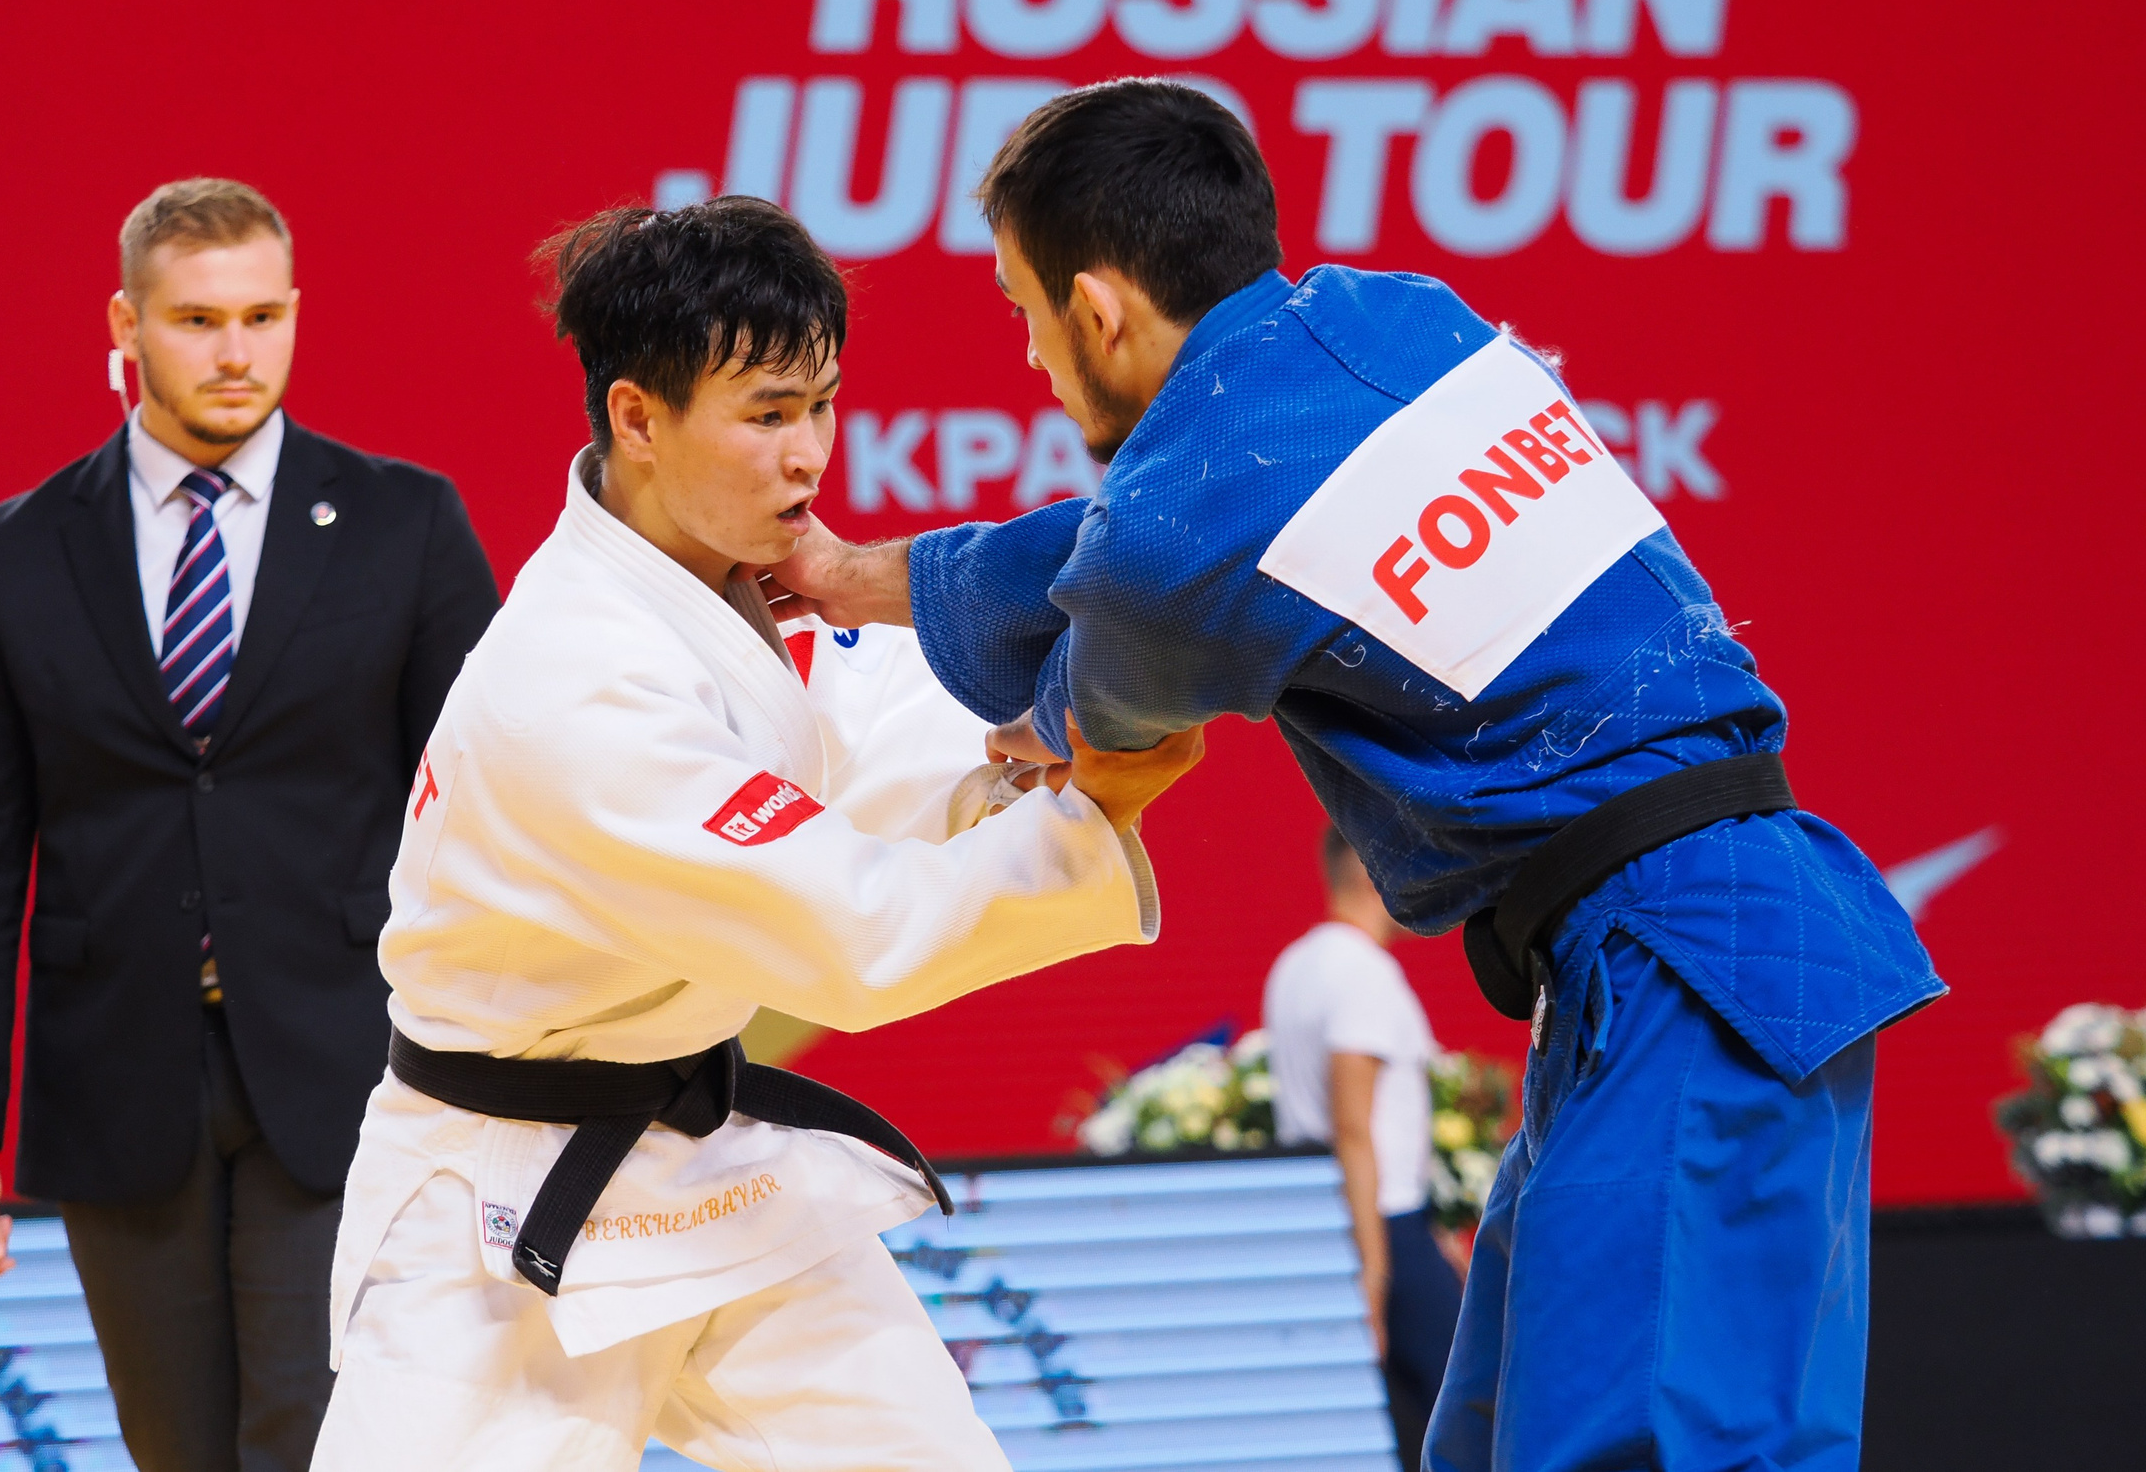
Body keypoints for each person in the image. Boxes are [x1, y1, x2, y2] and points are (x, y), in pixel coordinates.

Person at [762, 79, 1943, 1472]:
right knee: (1501, 1441)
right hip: (1710, 951)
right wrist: (840, 573)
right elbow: (1135, 538)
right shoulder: (1407, 319)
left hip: (1691, 966)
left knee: (1642, 1453)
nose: (1027, 353)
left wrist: (1028, 717)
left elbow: (1114, 667)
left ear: (1095, 310)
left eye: (1021, 311)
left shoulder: (1177, 538)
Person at [312, 196, 1202, 1472]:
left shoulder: (740, 579)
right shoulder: (576, 681)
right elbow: (855, 935)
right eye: (768, 415)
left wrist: (1034, 759)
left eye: (821, 405)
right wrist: (1090, 812)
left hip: (701, 1168)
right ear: (637, 418)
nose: (809, 456)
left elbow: (893, 748)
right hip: (498, 1214)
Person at [0, 178, 499, 1472]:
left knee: (308, 1436)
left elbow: (487, 813)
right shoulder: (14, 550)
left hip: (348, 1063)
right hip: (115, 1073)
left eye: (261, 314)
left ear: (295, 313)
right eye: (196, 318)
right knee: (175, 1447)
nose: (236, 351)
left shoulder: (406, 524)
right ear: (126, 321)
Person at [1266, 825, 1460, 1472]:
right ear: (1374, 866)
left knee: (1405, 1432)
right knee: (1472, 1419)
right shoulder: (1362, 974)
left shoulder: (1296, 965)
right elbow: (1355, 1127)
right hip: (1383, 1233)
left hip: (1333, 1226)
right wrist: (1375, 1276)